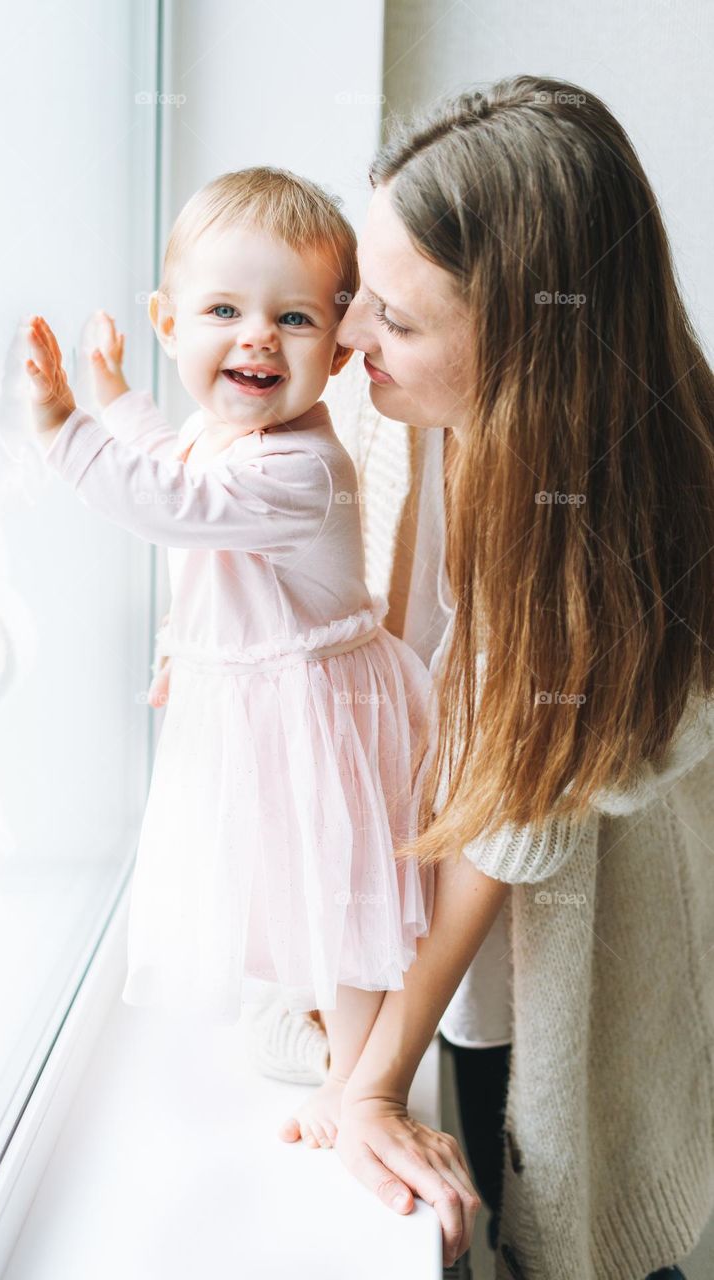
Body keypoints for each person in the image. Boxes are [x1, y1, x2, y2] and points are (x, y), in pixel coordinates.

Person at [273, 75, 713, 1278]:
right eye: (362, 292)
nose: (355, 335)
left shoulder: (626, 527)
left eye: (399, 322)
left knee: (567, 1231)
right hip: (434, 956)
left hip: (556, 980)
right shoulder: (385, 413)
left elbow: (508, 820)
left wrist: (369, 1085)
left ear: (535, 338)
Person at [23, 168, 444, 1151]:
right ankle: (318, 1018)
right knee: (283, 871)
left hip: (317, 706)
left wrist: (62, 431)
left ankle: (355, 1079)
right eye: (224, 309)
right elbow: (176, 465)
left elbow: (176, 507)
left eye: (293, 318)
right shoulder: (229, 431)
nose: (256, 336)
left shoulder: (300, 466)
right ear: (169, 321)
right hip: (265, 693)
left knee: (337, 892)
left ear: (337, 351)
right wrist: (117, 398)